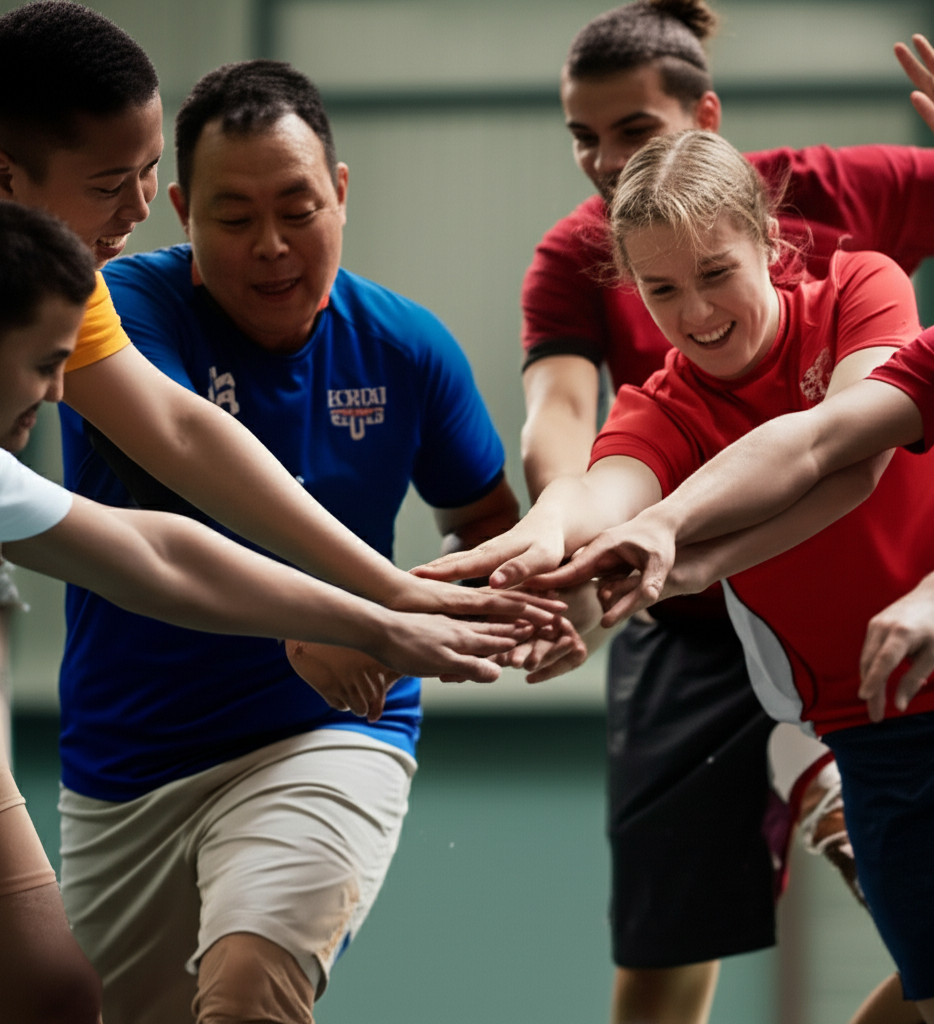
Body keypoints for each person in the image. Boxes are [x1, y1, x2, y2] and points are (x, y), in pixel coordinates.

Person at [417, 126, 934, 1023]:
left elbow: (850, 457)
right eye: (661, 290)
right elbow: (600, 493)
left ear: (769, 242)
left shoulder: (861, 287)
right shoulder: (660, 408)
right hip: (876, 726)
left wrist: (684, 547)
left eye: (715, 273)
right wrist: (538, 539)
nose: (696, 312)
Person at [48, 58, 571, 1024]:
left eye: (298, 209)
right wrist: (353, 608)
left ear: (341, 190)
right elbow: (182, 463)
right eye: (233, 217)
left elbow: (487, 525)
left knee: (250, 992)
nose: (272, 246)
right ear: (181, 213)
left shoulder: (406, 346)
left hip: (329, 734)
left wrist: (528, 600)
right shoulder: (115, 312)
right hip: (127, 759)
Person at [0, 1, 557, 649]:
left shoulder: (405, 338)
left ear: (340, 193)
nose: (139, 206)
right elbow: (158, 530)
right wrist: (370, 613)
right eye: (108, 185)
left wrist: (389, 595)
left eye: (149, 169)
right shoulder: (131, 293)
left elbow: (180, 439)